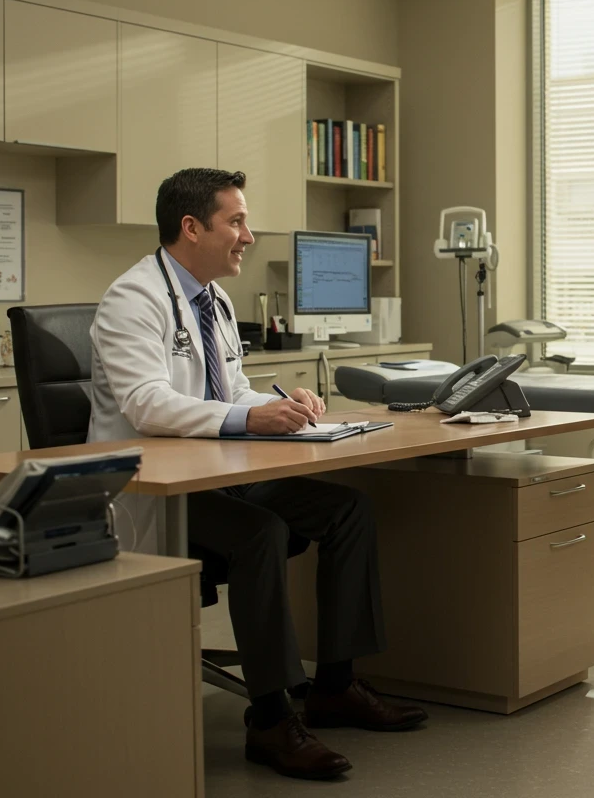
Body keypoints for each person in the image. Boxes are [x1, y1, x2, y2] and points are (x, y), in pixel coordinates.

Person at [88, 167, 427, 780]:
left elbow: (232, 387)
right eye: (236, 221)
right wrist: (250, 416)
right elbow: (146, 403)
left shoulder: (214, 299)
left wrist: (285, 404)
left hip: (214, 472)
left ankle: (333, 685)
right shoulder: (132, 299)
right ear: (191, 228)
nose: (249, 234)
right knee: (259, 532)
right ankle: (270, 718)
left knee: (348, 510)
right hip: (152, 488)